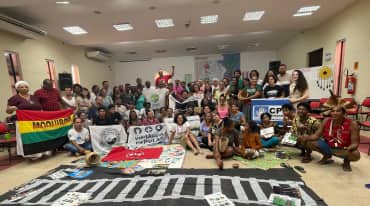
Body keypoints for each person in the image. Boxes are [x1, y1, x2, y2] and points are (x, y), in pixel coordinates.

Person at [302, 105, 360, 171]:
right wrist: (305, 138)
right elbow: (316, 135)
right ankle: (327, 155)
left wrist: (349, 150)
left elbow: (355, 143)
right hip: (328, 145)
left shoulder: (352, 124)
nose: (334, 113)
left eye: (338, 111)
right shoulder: (326, 120)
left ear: (344, 113)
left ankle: (346, 161)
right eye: (333, 111)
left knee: (355, 154)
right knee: (309, 142)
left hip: (343, 148)